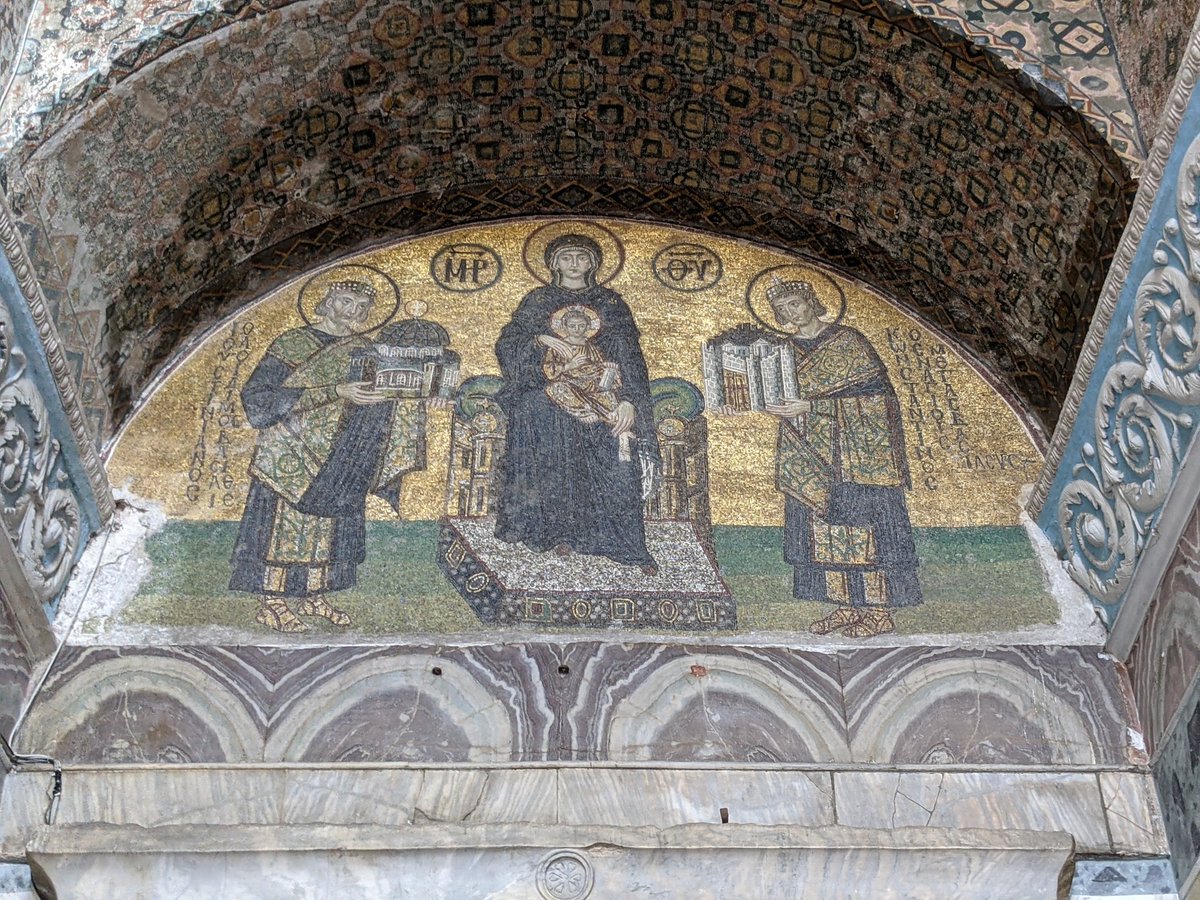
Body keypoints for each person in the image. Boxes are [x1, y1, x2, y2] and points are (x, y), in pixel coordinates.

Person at [229, 279, 432, 632]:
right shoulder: (293, 343)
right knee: (285, 527)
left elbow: (387, 394)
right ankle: (272, 600)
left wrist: (417, 402)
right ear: (326, 301)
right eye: (346, 301)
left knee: (328, 527)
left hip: (341, 453)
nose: (353, 311)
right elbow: (259, 397)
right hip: (291, 452)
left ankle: (313, 594)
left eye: (361, 307)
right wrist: (336, 390)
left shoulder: (365, 349)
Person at [761, 278, 922, 636]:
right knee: (825, 529)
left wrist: (815, 407)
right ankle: (846, 606)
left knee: (866, 528)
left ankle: (879, 611)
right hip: (808, 453)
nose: (791, 312)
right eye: (782, 308)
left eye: (795, 302)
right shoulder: (783, 350)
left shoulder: (848, 342)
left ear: (811, 300)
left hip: (858, 456)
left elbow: (881, 401)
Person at [494, 233, 659, 573]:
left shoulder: (611, 303)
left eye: (581, 257)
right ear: (552, 263)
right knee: (536, 410)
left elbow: (630, 357)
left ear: (593, 264)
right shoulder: (538, 301)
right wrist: (542, 339)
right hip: (551, 393)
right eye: (565, 257)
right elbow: (510, 345)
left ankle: (621, 544)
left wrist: (629, 402)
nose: (573, 263)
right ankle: (553, 531)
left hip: (605, 396)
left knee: (617, 441)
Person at [538, 304, 635, 461]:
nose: (577, 329)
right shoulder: (558, 347)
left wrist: (607, 368)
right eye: (572, 326)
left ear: (588, 327)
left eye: (581, 325)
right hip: (569, 382)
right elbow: (549, 369)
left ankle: (617, 424)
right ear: (565, 327)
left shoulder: (591, 347)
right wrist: (570, 365)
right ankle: (584, 412)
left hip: (590, 383)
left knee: (608, 394)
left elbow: (597, 365)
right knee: (556, 388)